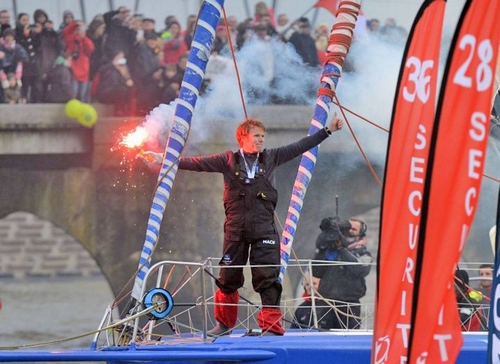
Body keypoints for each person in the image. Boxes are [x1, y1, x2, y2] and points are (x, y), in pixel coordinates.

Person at [139, 115, 344, 336]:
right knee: (228, 278)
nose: (261, 140)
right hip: (235, 231)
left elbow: (300, 146)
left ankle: (271, 326)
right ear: (243, 137)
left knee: (267, 277)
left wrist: (327, 130)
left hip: (264, 230)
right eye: (257, 136)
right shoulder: (227, 160)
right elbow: (195, 163)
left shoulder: (272, 157)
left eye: (263, 136)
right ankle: (224, 324)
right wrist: (162, 158)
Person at [311, 217, 372, 330]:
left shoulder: (363, 253)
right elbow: (316, 271)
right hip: (326, 303)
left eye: (353, 229)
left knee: (349, 339)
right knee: (322, 338)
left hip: (349, 305)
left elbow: (361, 270)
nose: (349, 231)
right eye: (347, 228)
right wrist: (322, 250)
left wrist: (342, 249)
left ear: (361, 233)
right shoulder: (330, 250)